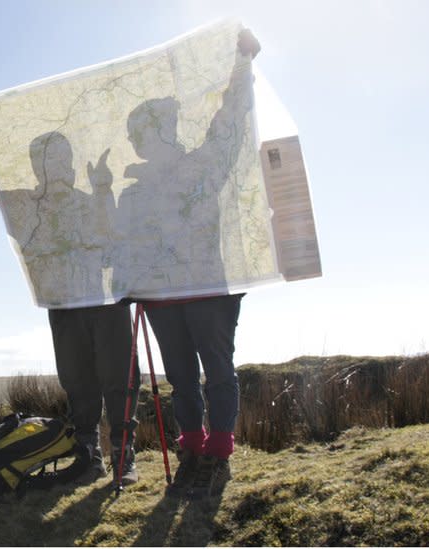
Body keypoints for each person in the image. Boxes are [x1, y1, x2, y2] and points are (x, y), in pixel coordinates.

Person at [0, 121, 139, 485]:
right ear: (35, 167)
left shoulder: (90, 199)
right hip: (63, 305)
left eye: (61, 158)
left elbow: (113, 243)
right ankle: (90, 457)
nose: (55, 166)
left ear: (71, 162)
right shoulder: (29, 206)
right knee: (78, 382)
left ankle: (125, 458)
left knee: (119, 378)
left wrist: (104, 189)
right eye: (46, 160)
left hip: (106, 302)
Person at [139, 27, 262, 501]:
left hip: (209, 289)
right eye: (144, 133)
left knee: (217, 369)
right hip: (161, 296)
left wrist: (242, 62)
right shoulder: (136, 190)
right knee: (181, 378)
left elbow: (229, 120)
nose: (152, 139)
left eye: (158, 128)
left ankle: (218, 454)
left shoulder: (203, 165)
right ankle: (192, 451)